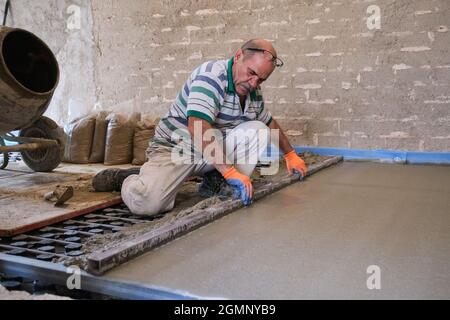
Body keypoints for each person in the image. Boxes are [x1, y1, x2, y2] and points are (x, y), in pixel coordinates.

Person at [93, 39, 308, 215]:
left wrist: (290, 154)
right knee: (147, 203)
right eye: (251, 73)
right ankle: (128, 179)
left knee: (258, 129)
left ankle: (215, 181)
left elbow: (269, 123)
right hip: (177, 149)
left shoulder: (252, 92)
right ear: (238, 56)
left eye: (261, 80)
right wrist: (231, 170)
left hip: (211, 153)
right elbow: (198, 126)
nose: (253, 83)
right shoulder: (212, 75)